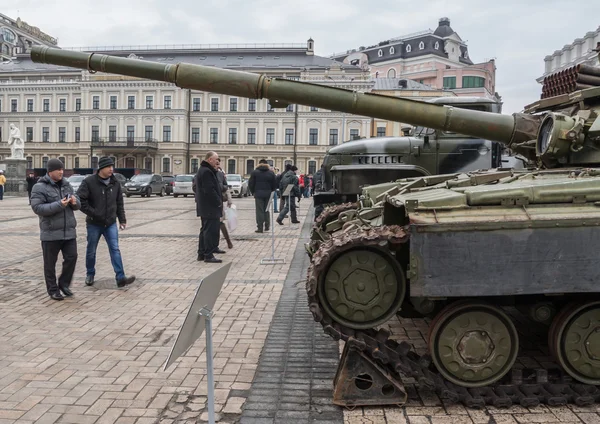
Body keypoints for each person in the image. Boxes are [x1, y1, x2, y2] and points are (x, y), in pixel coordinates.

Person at [77, 157, 136, 288]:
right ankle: (90, 274)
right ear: (101, 168)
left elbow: (119, 202)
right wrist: (94, 213)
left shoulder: (115, 183)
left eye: (112, 167)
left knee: (115, 249)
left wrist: (122, 219)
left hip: (110, 223)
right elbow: (80, 201)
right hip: (94, 223)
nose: (111, 169)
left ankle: (120, 277)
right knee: (91, 250)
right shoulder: (89, 182)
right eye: (108, 167)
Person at [30, 159, 80, 300]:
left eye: (62, 169)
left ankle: (64, 284)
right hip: (50, 232)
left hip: (68, 231)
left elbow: (77, 203)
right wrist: (59, 204)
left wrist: (75, 203)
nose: (61, 172)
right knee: (50, 264)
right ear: (50, 171)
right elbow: (38, 208)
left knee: (72, 257)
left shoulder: (66, 184)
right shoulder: (39, 187)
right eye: (58, 170)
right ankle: (53, 290)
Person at [195, 151, 225, 263]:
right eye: (216, 159)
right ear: (209, 159)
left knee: (204, 230)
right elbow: (209, 190)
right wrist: (218, 202)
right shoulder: (206, 171)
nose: (217, 161)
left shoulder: (205, 170)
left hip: (206, 206)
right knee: (209, 231)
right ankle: (208, 255)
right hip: (209, 206)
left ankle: (201, 253)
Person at [248, 159, 277, 233]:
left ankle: (260, 228)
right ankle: (267, 226)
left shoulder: (254, 172)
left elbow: (251, 184)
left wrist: (253, 192)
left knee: (259, 211)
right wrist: (272, 191)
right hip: (268, 194)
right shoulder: (271, 173)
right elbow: (274, 184)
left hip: (258, 194)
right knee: (267, 210)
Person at [216, 163, 233, 249]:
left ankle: (228, 241)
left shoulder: (220, 174)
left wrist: (229, 201)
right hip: (208, 203)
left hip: (219, 202)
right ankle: (212, 245)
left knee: (220, 222)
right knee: (210, 225)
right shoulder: (204, 173)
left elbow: (226, 188)